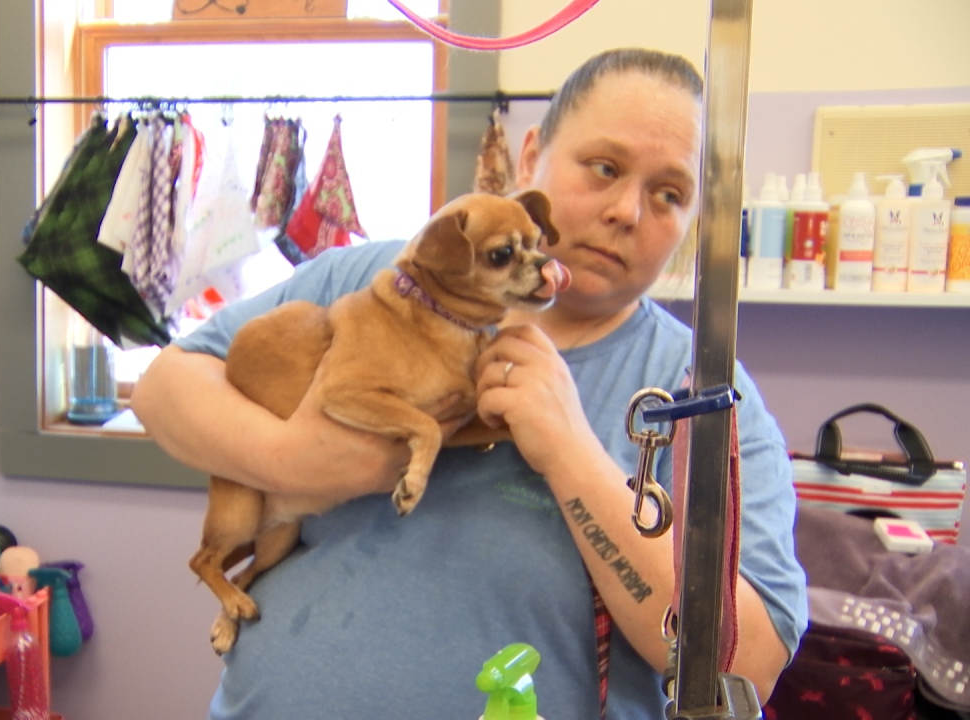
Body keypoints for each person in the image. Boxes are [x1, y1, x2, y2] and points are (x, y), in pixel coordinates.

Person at [132, 47, 808, 720]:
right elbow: (165, 388)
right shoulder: (372, 280)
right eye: (604, 168)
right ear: (531, 156)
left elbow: (748, 663)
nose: (628, 211)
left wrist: (572, 455)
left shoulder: (700, 395)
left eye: (670, 194)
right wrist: (296, 460)